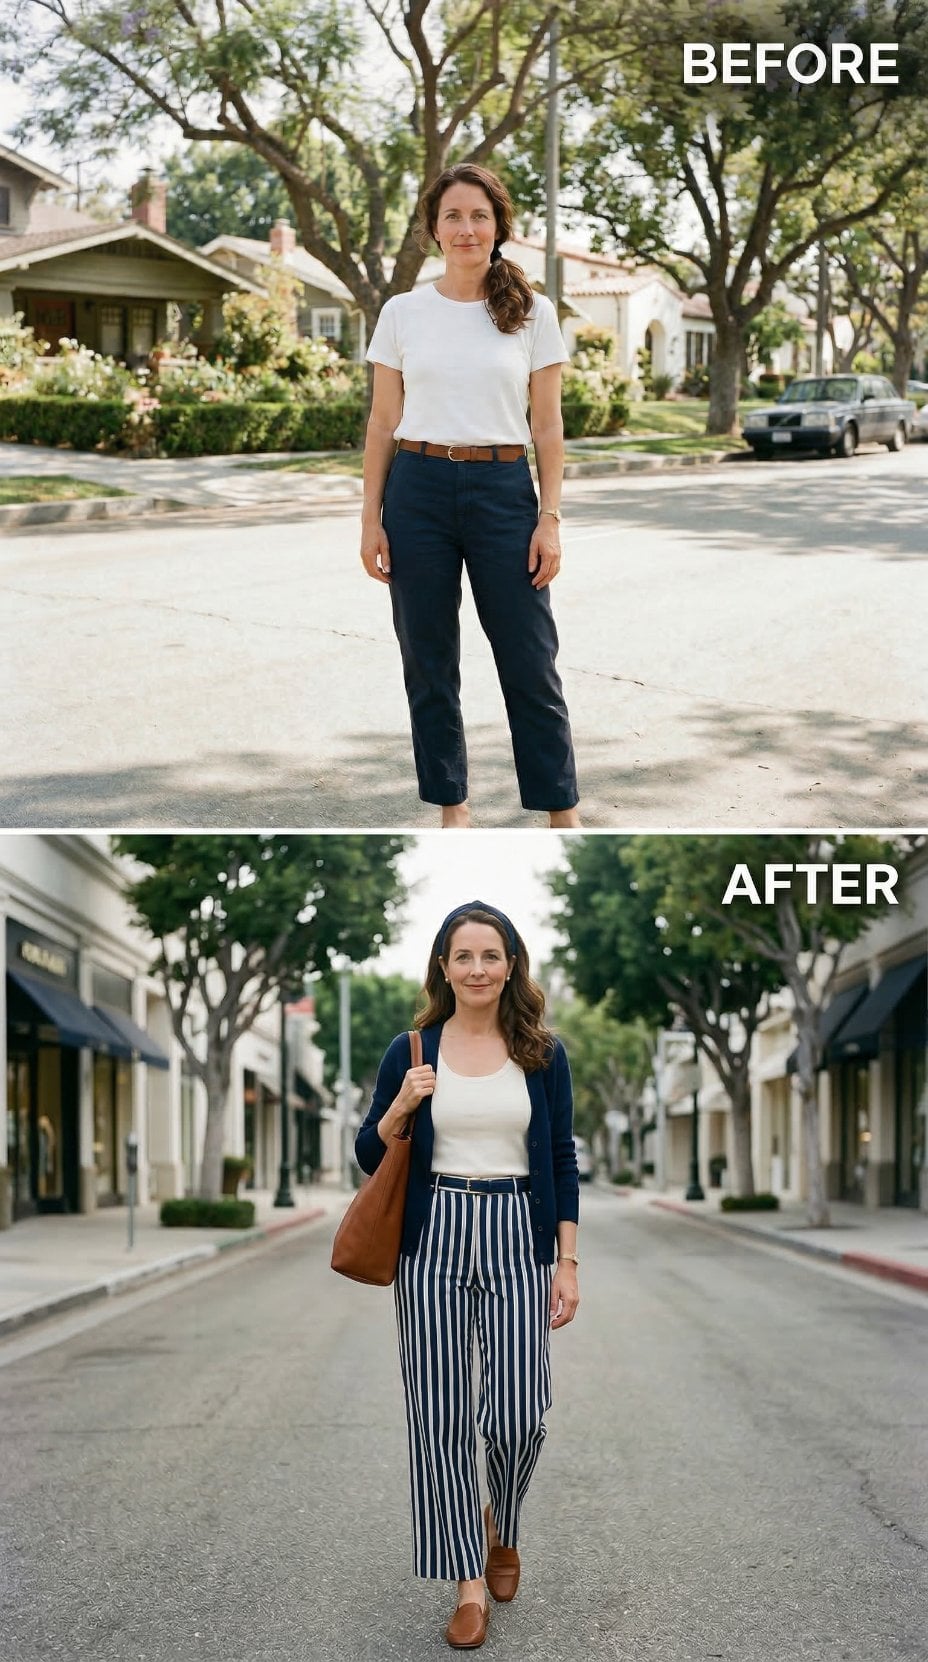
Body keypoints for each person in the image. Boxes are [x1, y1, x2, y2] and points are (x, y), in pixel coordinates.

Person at [355, 901, 581, 1650]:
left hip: (518, 1231)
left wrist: (567, 1262)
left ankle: (498, 1524)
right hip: (434, 1234)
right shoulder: (412, 1047)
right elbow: (369, 1149)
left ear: (511, 963)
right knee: (441, 1419)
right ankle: (468, 1583)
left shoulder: (542, 1052)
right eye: (463, 956)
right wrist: (401, 1104)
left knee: (521, 1415)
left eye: (491, 955)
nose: (478, 969)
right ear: (443, 967)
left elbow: (561, 1161)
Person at [360, 162, 582, 830]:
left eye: (479, 215)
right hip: (418, 490)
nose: (466, 228)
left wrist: (550, 518)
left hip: (502, 489)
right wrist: (370, 518)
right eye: (453, 216)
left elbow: (547, 424)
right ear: (433, 229)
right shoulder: (402, 312)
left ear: (498, 226)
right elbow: (381, 422)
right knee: (428, 660)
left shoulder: (532, 313)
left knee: (529, 658)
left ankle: (559, 810)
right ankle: (452, 806)